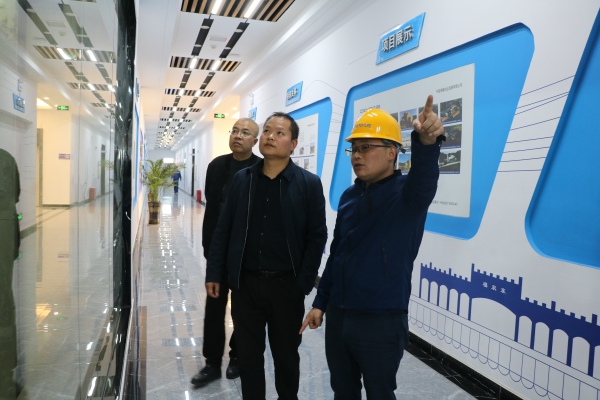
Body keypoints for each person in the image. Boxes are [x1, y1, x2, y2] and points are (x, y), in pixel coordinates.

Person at [300, 95, 445, 399]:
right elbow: (338, 254)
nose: (357, 155)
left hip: (381, 319)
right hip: (339, 315)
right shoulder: (349, 197)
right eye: (354, 148)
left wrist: (426, 141)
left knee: (380, 393)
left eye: (366, 147)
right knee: (343, 391)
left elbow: (425, 174)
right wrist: (320, 303)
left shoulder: (408, 196)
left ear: (392, 153)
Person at [205, 112, 327, 399]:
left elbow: (316, 236)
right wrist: (215, 272)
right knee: (248, 358)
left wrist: (303, 283)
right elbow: (223, 229)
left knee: (286, 358)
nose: (271, 136)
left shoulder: (308, 184)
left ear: (293, 144)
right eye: (268, 131)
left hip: (287, 287)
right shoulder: (242, 180)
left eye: (280, 133)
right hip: (246, 286)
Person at [191, 118, 262, 387]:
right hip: (218, 251)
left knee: (243, 311)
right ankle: (211, 363)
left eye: (245, 132)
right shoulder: (217, 166)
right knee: (214, 308)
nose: (238, 136)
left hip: (246, 255)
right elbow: (213, 209)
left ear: (255, 141)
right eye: (234, 131)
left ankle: (237, 356)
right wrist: (210, 249)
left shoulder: (260, 168)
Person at [0, 148, 21, 399]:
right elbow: (15, 194)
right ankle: (5, 373)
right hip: (4, 234)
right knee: (4, 300)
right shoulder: (6, 158)